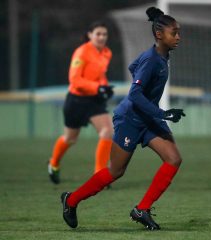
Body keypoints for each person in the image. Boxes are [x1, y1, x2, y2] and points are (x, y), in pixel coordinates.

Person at [60, 7, 185, 231]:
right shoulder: (152, 60)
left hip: (148, 118)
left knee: (173, 158)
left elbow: (132, 67)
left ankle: (142, 209)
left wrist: (156, 114)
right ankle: (71, 201)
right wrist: (162, 113)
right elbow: (134, 94)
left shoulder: (161, 56)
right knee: (115, 171)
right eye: (174, 33)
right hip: (131, 119)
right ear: (159, 35)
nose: (178, 37)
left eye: (178, 32)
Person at [48, 21, 114, 184]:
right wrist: (98, 88)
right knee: (70, 138)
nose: (101, 37)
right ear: (90, 35)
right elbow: (75, 80)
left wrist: (104, 87)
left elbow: (100, 76)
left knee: (108, 131)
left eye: (104, 34)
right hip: (76, 100)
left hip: (94, 100)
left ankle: (99, 175)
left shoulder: (106, 53)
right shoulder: (82, 52)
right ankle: (53, 163)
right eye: (98, 34)